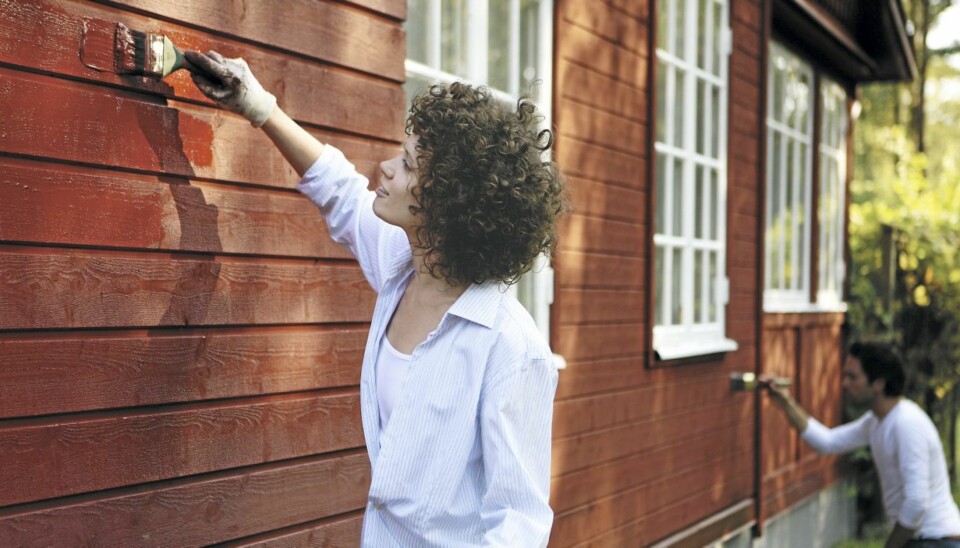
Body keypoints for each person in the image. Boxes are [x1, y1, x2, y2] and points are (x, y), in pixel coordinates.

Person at [183, 50, 567, 547]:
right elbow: (340, 191)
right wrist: (258, 106)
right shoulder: (400, 266)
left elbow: (519, 523)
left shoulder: (511, 349)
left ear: (449, 204)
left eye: (406, 164)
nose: (384, 169)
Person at [762, 342, 960, 547]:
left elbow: (917, 503)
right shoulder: (876, 421)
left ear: (878, 384)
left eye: (853, 377)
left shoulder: (906, 424)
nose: (844, 384)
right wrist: (785, 402)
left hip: (936, 540)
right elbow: (827, 442)